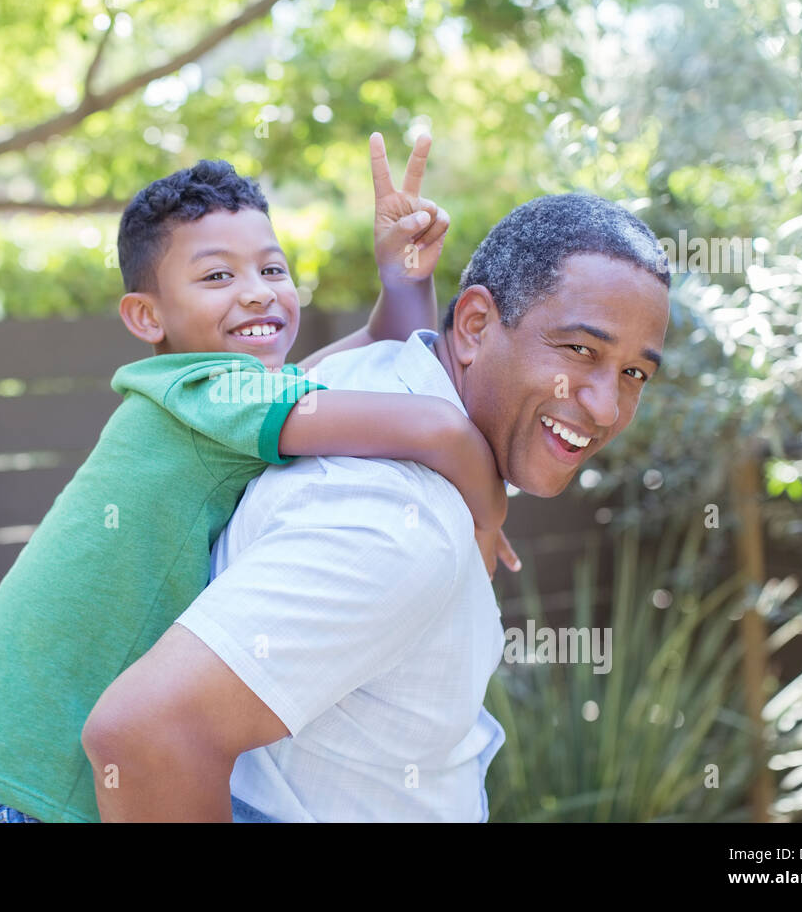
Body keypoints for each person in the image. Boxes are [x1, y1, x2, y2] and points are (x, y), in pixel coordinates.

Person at [0, 133, 515, 823]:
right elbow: (434, 427)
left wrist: (404, 277)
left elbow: (380, 359)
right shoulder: (212, 394)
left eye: (273, 270)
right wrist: (486, 517)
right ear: (147, 316)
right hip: (22, 785)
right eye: (217, 277)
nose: (256, 294)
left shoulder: (217, 393)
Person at [81, 192, 673, 822]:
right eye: (580, 350)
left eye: (635, 373)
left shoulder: (363, 380)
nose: (607, 408)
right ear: (474, 325)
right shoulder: (398, 520)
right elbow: (143, 736)